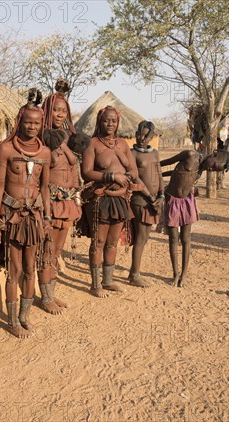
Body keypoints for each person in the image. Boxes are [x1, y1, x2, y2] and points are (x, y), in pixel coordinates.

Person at [0, 89, 51, 337]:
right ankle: (12, 321)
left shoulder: (45, 153)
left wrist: (47, 217)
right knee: (13, 269)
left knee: (30, 267)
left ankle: (24, 315)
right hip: (12, 217)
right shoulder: (6, 149)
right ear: (20, 121)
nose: (32, 126)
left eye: (37, 123)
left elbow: (45, 187)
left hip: (35, 217)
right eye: (28, 122)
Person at [80, 105, 141, 297]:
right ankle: (95, 285)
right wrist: (112, 177)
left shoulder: (123, 144)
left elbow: (134, 171)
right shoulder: (93, 144)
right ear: (100, 121)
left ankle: (108, 281)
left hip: (120, 199)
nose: (110, 124)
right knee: (98, 241)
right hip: (100, 199)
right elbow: (87, 172)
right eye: (106, 120)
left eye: (113, 121)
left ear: (118, 122)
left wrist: (126, 180)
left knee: (112, 242)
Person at [36, 79, 80, 314]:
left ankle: (51, 293)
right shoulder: (40, 137)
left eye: (64, 110)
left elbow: (73, 170)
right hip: (49, 202)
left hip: (67, 201)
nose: (60, 114)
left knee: (58, 250)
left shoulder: (67, 136)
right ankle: (45, 298)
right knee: (47, 249)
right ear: (47, 110)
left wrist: (77, 199)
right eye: (56, 110)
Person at [159, 150, 229, 287]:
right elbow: (166, 163)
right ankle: (175, 273)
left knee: (186, 239)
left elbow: (182, 175)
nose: (211, 169)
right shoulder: (189, 155)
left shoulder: (202, 168)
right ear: (214, 155)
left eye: (215, 171)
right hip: (172, 201)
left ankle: (184, 274)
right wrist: (158, 174)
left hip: (187, 202)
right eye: (214, 166)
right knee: (173, 239)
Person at [128, 121, 164, 287]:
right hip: (141, 200)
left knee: (145, 237)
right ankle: (135, 275)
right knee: (141, 237)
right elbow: (135, 177)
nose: (142, 138)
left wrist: (161, 195)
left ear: (151, 137)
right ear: (136, 134)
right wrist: (150, 197)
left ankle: (133, 272)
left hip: (155, 200)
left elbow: (159, 174)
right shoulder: (132, 154)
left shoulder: (155, 153)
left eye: (146, 135)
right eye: (140, 134)